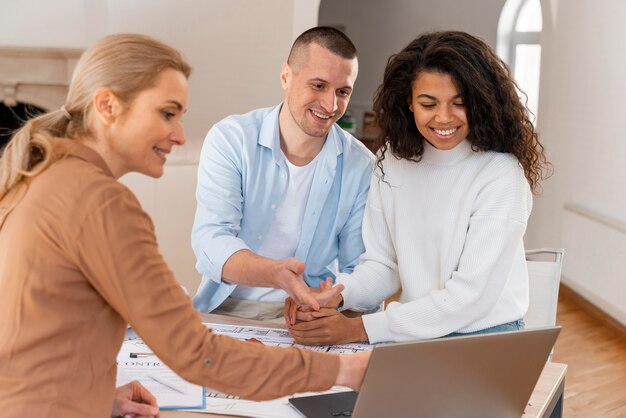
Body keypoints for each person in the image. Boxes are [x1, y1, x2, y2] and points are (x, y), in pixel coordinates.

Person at [0, 33, 369, 418]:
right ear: (107, 106)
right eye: (166, 113)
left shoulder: (41, 175)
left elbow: (36, 336)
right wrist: (343, 370)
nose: (179, 135)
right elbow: (198, 355)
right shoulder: (101, 203)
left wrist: (94, 393)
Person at [285, 30, 551, 345]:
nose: (443, 117)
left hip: (486, 338)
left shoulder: (500, 174)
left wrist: (359, 329)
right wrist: (334, 296)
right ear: (409, 103)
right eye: (428, 103)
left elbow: (470, 299)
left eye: (459, 103)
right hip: (416, 332)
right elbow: (383, 266)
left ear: (479, 102)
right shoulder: (393, 160)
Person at [191, 26, 373, 320]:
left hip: (311, 315)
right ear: (286, 76)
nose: (330, 105)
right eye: (318, 85)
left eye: (342, 92)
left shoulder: (361, 165)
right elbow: (210, 240)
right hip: (227, 309)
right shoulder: (231, 139)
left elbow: (360, 267)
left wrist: (334, 299)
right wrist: (277, 274)